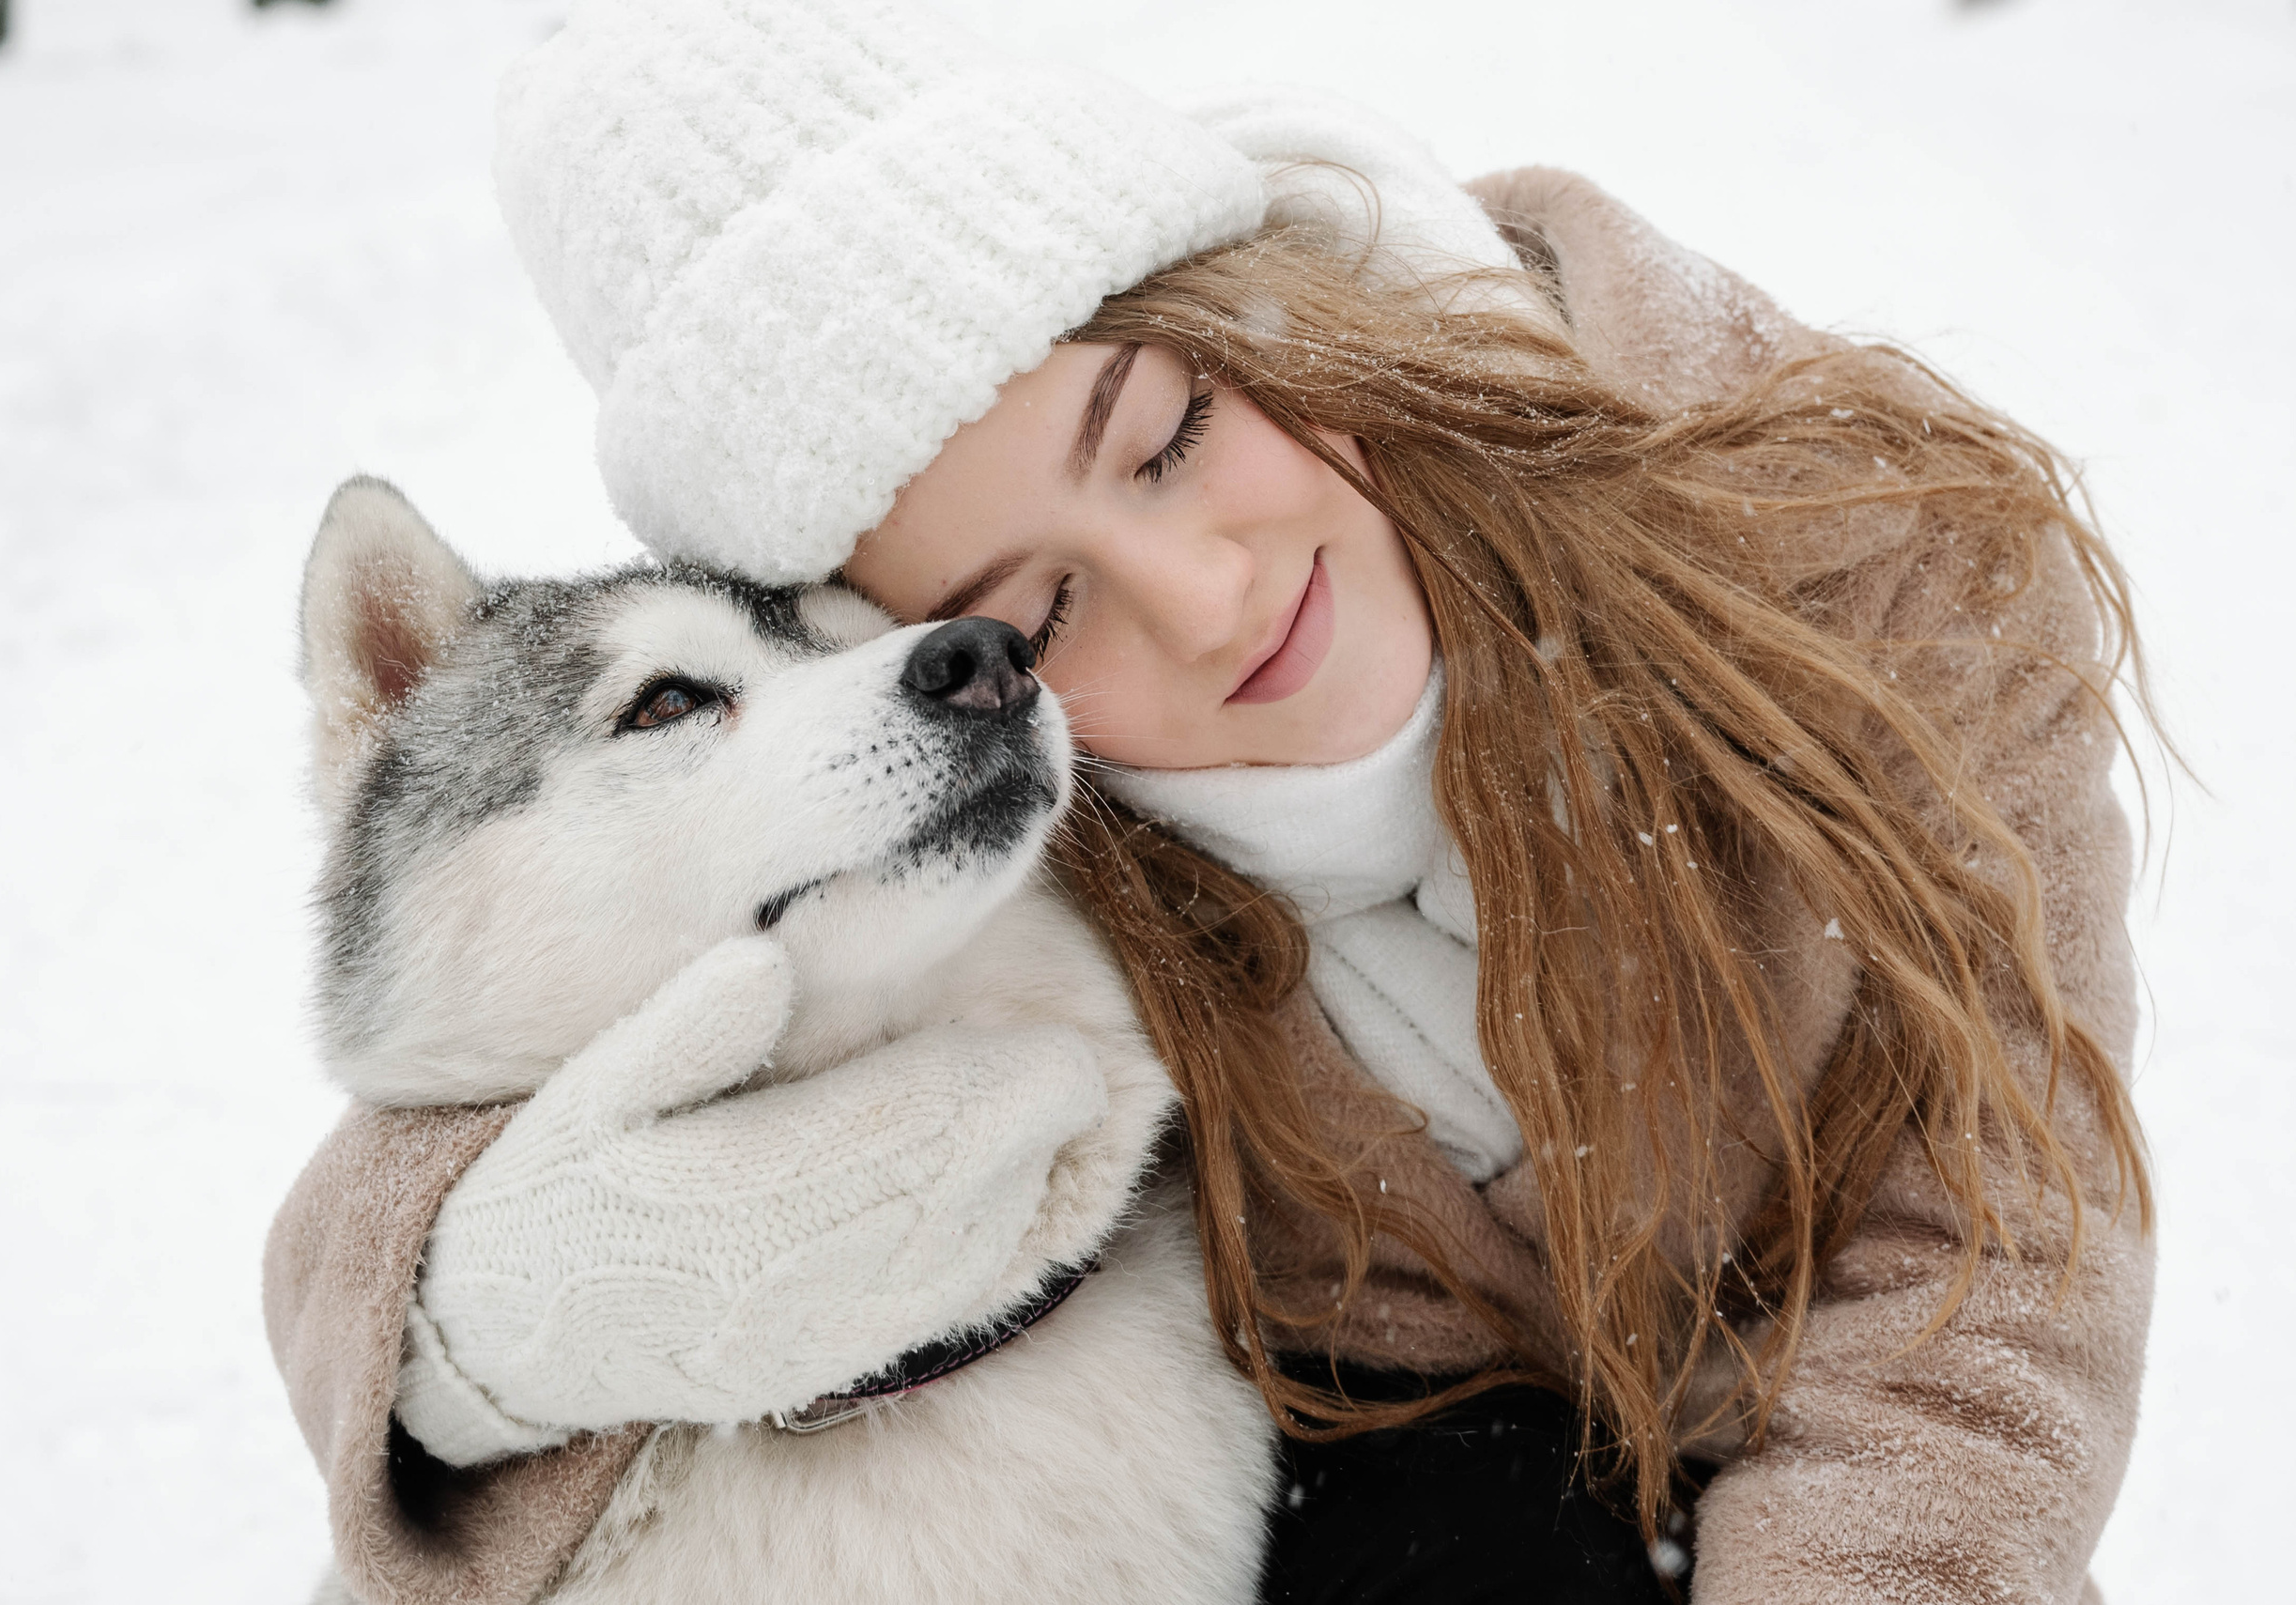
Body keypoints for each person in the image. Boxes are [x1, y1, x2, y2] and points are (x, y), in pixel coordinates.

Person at [264, 3, 2156, 1601]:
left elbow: (1979, 1278)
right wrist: (467, 1319)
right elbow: (450, 1057)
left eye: (1167, 437)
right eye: (1038, 611)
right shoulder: (1046, 810)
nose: (1207, 598)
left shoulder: (1853, 566)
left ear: (1268, 311)